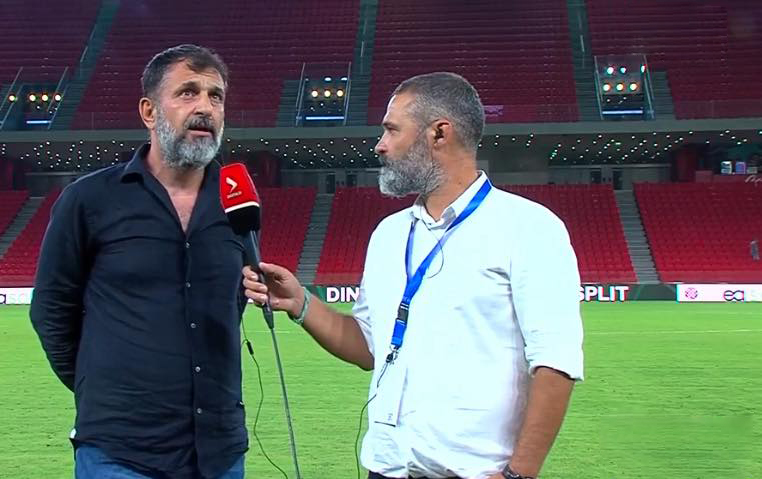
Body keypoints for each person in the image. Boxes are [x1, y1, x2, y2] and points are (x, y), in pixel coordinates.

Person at [244, 72, 584, 479]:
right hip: (385, 468)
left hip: (475, 472)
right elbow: (371, 346)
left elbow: (555, 362)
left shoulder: (529, 227)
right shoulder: (388, 234)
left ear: (439, 133)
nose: (379, 145)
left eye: (391, 130)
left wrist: (518, 474)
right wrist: (301, 303)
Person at [31, 44, 247, 479]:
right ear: (149, 112)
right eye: (187, 92)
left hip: (218, 451)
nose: (205, 107)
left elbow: (232, 305)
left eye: (216, 96)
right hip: (120, 452)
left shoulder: (238, 202)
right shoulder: (89, 199)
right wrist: (103, 388)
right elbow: (52, 311)